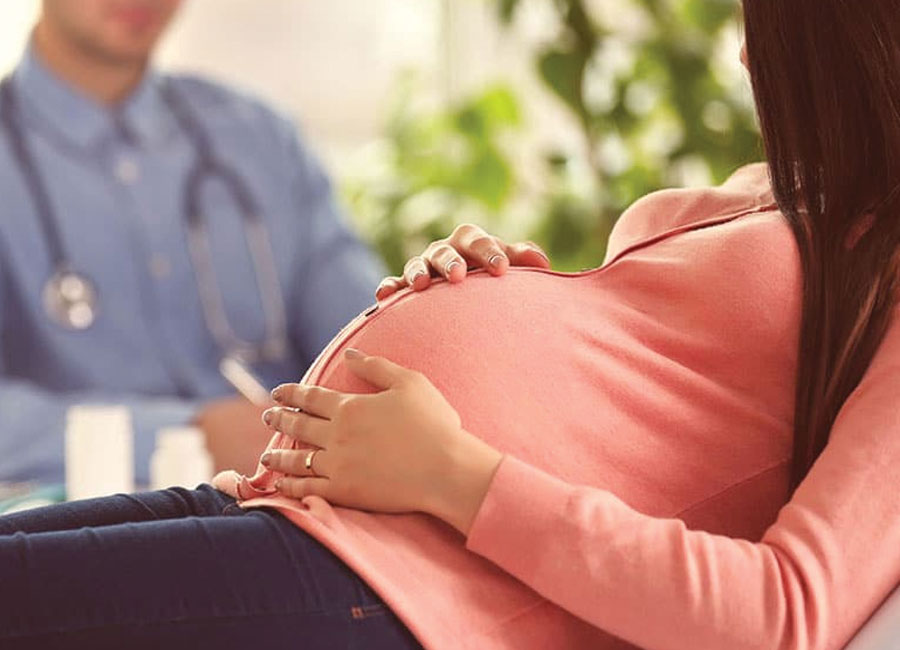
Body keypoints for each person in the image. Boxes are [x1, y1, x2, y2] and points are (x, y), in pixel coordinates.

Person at [0, 1, 898, 648]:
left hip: (406, 584)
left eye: (764, 19)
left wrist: (455, 471)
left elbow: (787, 615)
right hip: (295, 506)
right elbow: (649, 391)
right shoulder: (768, 196)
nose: (745, 54)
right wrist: (483, 287)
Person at [0, 0, 386, 482]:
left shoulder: (263, 138)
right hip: (93, 528)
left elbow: (373, 346)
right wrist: (186, 433)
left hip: (299, 504)